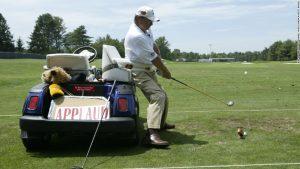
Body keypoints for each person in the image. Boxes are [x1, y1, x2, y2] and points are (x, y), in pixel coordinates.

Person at [124, 6, 175, 147]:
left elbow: (153, 46)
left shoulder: (145, 29)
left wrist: (160, 59)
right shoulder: (136, 35)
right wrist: (165, 71)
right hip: (138, 71)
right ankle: (151, 135)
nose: (151, 24)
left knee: (162, 95)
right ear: (139, 18)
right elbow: (153, 58)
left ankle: (160, 123)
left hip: (148, 69)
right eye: (149, 21)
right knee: (158, 96)